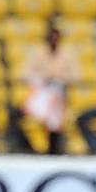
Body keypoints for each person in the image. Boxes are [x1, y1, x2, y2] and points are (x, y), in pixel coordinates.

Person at [20, 25, 79, 154]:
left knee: (54, 119)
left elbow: (74, 76)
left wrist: (58, 78)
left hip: (59, 94)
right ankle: (33, 148)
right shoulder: (38, 53)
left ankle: (53, 150)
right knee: (24, 116)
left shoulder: (67, 55)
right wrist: (43, 79)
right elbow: (26, 74)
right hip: (41, 93)